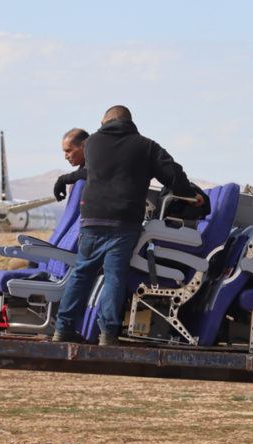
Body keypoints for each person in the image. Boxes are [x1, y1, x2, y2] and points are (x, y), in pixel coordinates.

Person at [51, 105, 203, 345]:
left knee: (82, 273)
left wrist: (63, 179)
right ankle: (108, 334)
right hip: (124, 222)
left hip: (92, 220)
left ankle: (63, 329)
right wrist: (190, 194)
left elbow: (88, 171)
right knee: (114, 276)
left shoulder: (92, 144)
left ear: (108, 121)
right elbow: (173, 175)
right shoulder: (146, 146)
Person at [53, 128, 89, 198]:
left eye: (69, 151)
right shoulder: (83, 167)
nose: (66, 157)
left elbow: (91, 172)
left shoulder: (100, 161)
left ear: (83, 145)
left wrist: (63, 180)